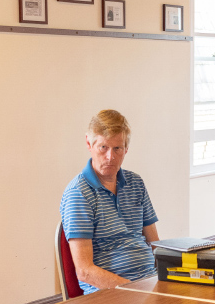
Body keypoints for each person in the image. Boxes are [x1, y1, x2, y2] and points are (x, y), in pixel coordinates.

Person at [60, 110, 159, 294]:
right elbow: (85, 272)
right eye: (103, 147)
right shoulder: (78, 193)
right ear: (89, 144)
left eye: (117, 149)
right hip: (110, 294)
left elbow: (156, 246)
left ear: (126, 149)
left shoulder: (136, 183)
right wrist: (137, 290)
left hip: (149, 285)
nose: (110, 157)